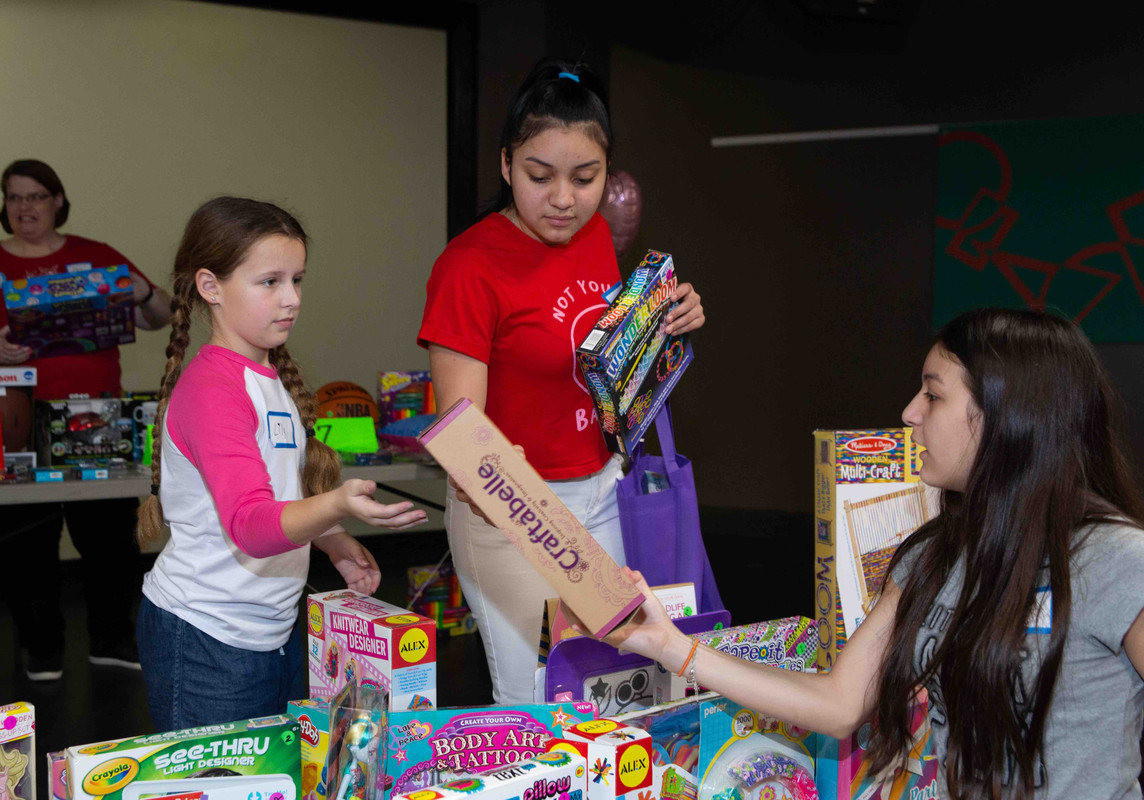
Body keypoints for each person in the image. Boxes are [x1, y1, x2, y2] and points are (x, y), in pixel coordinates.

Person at [594, 308, 1144, 799]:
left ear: (1008, 414)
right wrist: (670, 647)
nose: (909, 412)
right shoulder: (933, 557)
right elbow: (838, 703)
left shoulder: (1118, 559)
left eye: (933, 394)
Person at [417, 58, 707, 703]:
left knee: (612, 688)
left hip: (602, 490)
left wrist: (664, 320)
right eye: (538, 176)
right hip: (515, 515)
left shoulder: (595, 234)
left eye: (585, 178)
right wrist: (508, 484)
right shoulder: (469, 266)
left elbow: (602, 354)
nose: (563, 199)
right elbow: (467, 444)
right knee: (537, 699)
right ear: (505, 167)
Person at [136, 196, 427, 729]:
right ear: (210, 286)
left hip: (271, 632)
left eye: (298, 279)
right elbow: (250, 525)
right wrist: (335, 503)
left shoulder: (266, 378)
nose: (291, 298)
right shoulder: (214, 389)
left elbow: (278, 498)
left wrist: (333, 537)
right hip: (206, 638)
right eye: (269, 282)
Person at [0, 159, 174, 681]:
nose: (25, 207)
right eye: (14, 197)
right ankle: (41, 647)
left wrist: (142, 290)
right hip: (10, 424)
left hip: (94, 419)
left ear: (58, 201)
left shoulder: (96, 257)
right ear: (4, 205)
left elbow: (159, 315)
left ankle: (112, 638)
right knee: (24, 543)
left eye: (36, 196)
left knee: (111, 537)